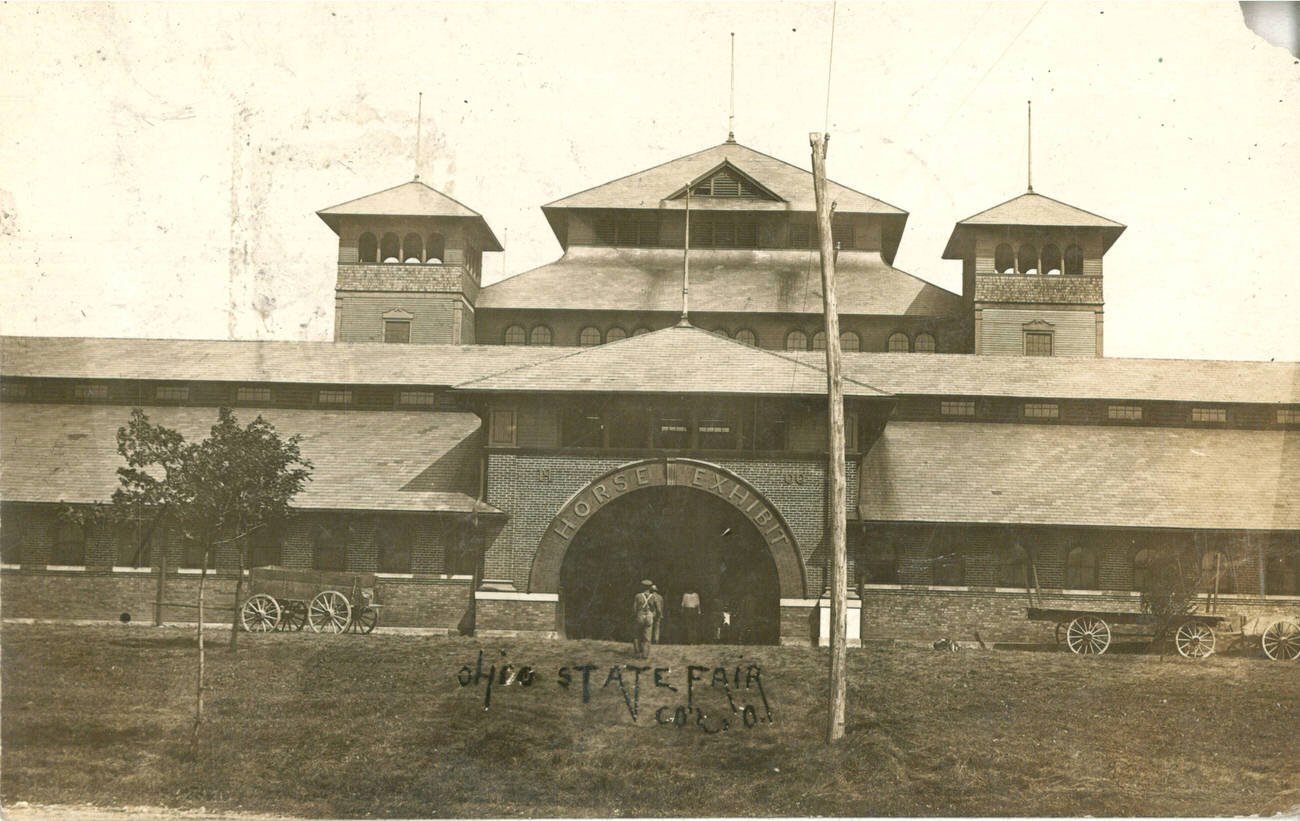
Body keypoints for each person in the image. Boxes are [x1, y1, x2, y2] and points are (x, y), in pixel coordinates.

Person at [632, 579, 662, 658]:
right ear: (650, 587)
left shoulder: (638, 596)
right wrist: (657, 616)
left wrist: (634, 616)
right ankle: (645, 654)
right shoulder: (654, 597)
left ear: (642, 587)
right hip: (649, 616)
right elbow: (658, 609)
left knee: (637, 635)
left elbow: (634, 609)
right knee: (647, 636)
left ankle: (637, 653)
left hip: (640, 615)